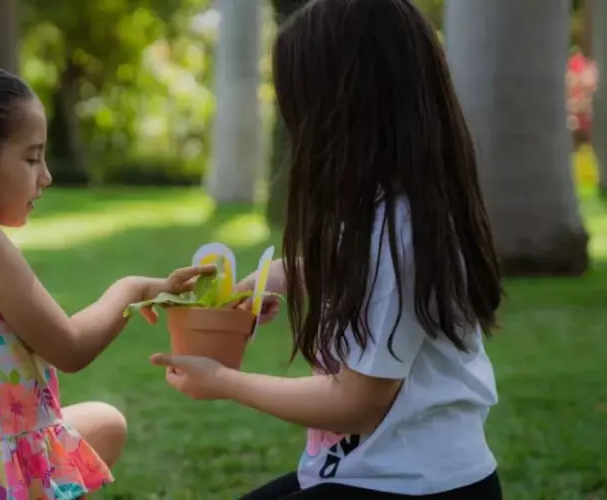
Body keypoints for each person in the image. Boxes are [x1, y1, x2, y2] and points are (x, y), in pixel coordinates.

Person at [149, 0, 505, 498]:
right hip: (367, 472)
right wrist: (276, 277)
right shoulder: (388, 206)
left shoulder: (397, 229)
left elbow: (356, 403)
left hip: (413, 486)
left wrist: (225, 382)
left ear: (344, 107)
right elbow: (355, 275)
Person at [0, 60, 212, 499]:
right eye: (32, 158)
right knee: (99, 427)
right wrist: (133, 289)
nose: (47, 176)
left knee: (104, 425)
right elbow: (69, 346)